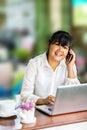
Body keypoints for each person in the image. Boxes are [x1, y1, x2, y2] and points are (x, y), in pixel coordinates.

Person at [20, 30, 80, 105]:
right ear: (49, 45)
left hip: (62, 109)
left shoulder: (70, 64)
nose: (60, 50)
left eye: (64, 47)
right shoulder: (34, 64)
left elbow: (75, 95)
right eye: (57, 44)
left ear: (69, 51)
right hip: (39, 111)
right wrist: (43, 101)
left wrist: (70, 68)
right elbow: (25, 96)